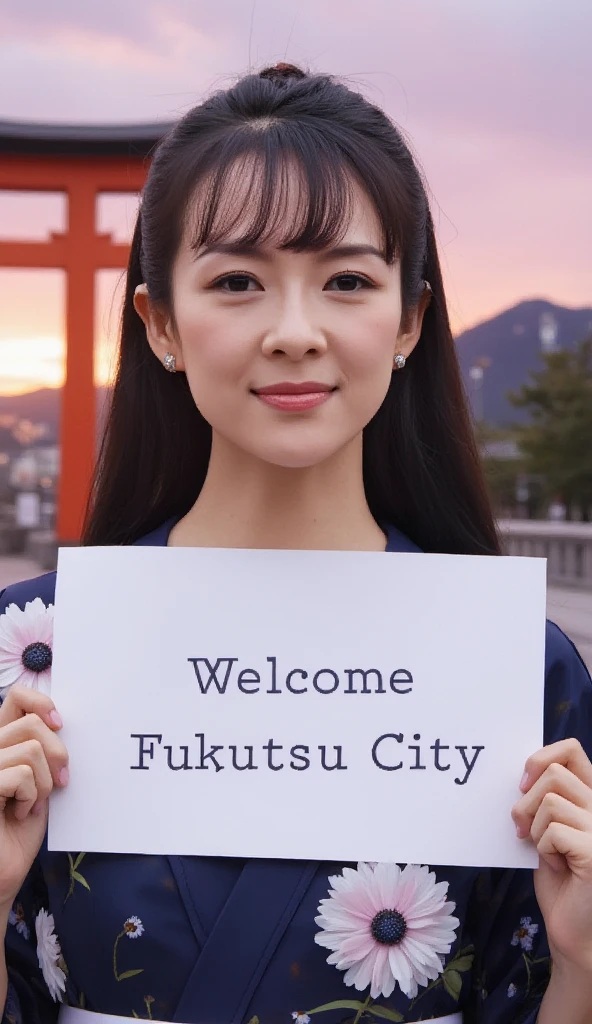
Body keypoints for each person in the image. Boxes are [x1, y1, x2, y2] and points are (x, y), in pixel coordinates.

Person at [0, 62, 591, 1024]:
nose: (294, 331)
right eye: (237, 281)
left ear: (408, 319)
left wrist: (584, 961)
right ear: (160, 324)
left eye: (348, 281)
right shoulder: (27, 650)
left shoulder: (525, 669)